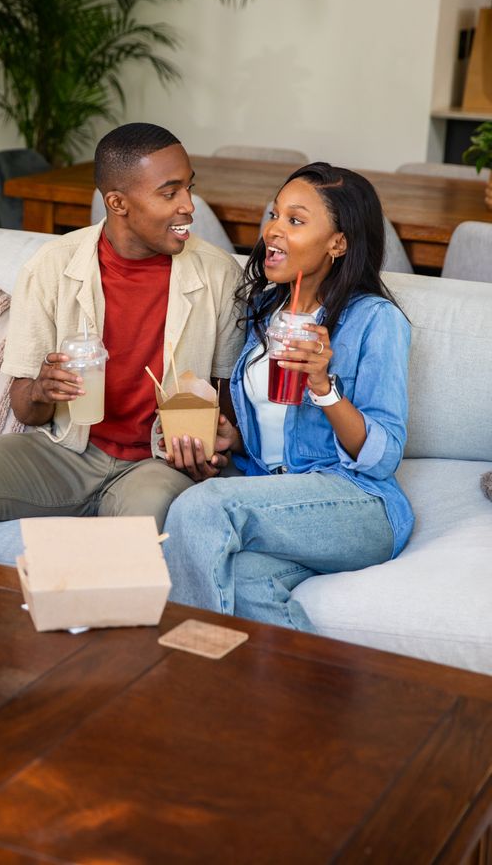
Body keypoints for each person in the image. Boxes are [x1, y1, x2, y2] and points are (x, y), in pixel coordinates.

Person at [0, 122, 243, 556]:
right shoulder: (52, 266)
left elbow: (225, 399)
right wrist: (42, 388)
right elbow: (25, 409)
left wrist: (212, 445)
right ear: (118, 202)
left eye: (188, 189)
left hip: (155, 465)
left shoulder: (219, 274)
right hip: (69, 451)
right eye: (170, 193)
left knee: (133, 531)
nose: (188, 207)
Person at [162, 161, 413, 632]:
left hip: (359, 503)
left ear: (337, 243)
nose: (273, 229)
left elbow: (382, 458)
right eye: (274, 215)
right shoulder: (265, 308)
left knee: (203, 505)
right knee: (239, 581)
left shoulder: (376, 321)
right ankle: (303, 700)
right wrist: (235, 441)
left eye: (295, 221)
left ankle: (188, 678)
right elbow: (276, 435)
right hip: (278, 493)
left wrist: (324, 387)